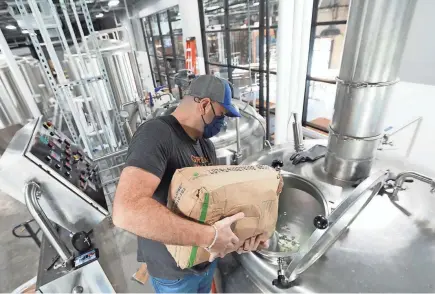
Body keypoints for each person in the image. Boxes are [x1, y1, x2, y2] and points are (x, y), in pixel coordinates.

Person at [113, 75, 269, 293]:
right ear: (205, 105)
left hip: (204, 262)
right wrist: (211, 237)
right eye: (221, 115)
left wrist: (244, 235)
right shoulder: (157, 134)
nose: (222, 123)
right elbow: (126, 210)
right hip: (174, 273)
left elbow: (215, 205)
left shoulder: (206, 146)